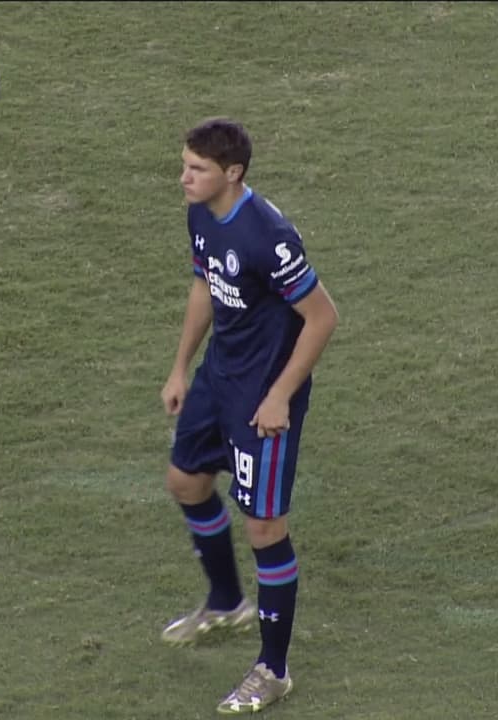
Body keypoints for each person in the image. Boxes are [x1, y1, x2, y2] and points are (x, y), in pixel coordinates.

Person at [160, 117, 340, 715]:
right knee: (185, 481)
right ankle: (225, 602)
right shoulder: (201, 214)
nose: (184, 177)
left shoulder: (267, 236)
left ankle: (274, 670)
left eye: (197, 169)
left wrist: (281, 395)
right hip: (218, 378)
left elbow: (323, 317)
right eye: (185, 165)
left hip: (263, 397)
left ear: (232, 173)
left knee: (264, 527)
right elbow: (205, 286)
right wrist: (181, 368)